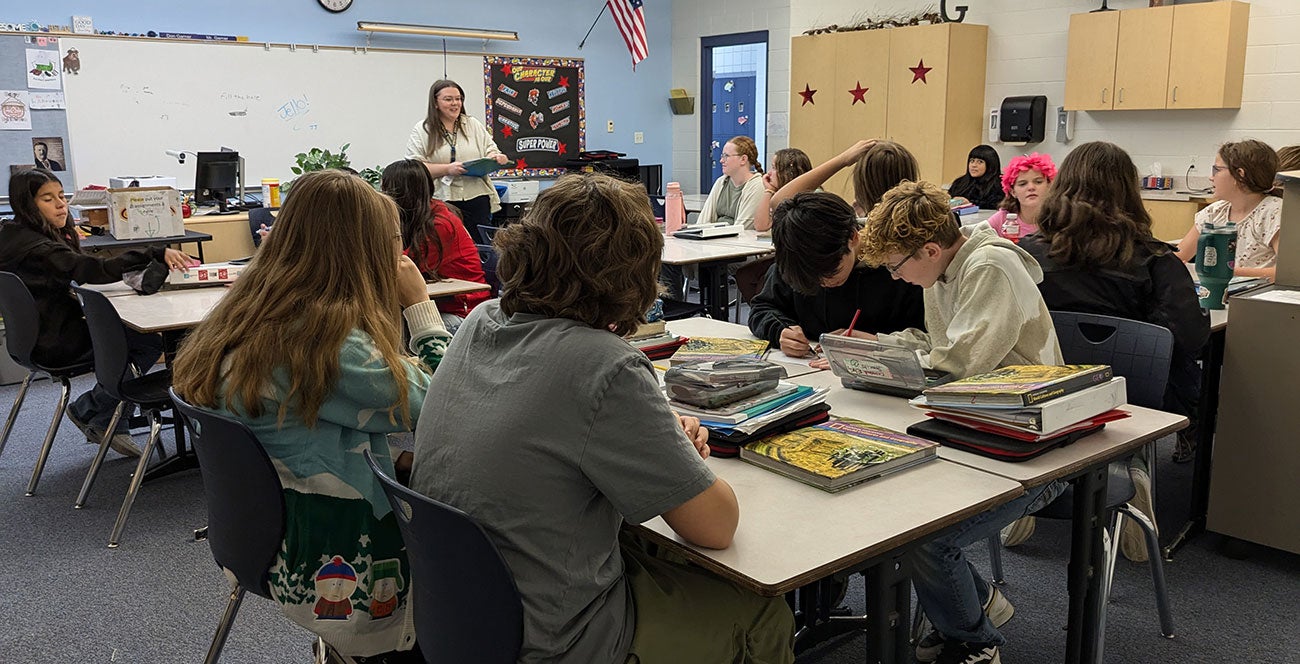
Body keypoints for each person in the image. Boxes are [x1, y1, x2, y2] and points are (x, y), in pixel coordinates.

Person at [409, 172, 795, 664]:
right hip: (555, 638)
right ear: (633, 271)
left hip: (463, 615)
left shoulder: (480, 322)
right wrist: (671, 453)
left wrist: (647, 442)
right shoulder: (602, 363)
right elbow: (716, 526)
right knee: (766, 611)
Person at [172, 170, 452, 663]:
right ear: (358, 252)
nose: (400, 253)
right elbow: (444, 405)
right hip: (343, 562)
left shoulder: (251, 312)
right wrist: (421, 310)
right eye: (392, 241)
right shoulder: (325, 344)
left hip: (268, 536)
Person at [857, 180, 1063, 664]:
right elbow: (943, 349)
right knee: (896, 514)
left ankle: (976, 641)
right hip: (973, 424)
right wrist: (875, 349)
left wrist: (892, 361)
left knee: (930, 536)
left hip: (1035, 443)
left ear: (929, 248)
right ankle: (977, 604)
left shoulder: (990, 266)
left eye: (895, 266)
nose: (894, 277)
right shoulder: (944, 270)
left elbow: (957, 365)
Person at [1021, 141, 1210, 557]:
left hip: (1042, 394)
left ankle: (1034, 476)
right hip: (1133, 401)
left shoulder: (1025, 256)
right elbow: (1190, 338)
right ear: (1128, 192)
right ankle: (1130, 462)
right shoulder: (1158, 261)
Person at [0, 168, 193, 458]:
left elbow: (80, 267)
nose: (61, 205)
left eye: (61, 196)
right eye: (48, 199)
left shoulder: (14, 236)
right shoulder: (40, 249)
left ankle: (100, 411)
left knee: (132, 337)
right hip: (57, 342)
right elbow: (92, 271)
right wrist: (153, 252)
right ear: (28, 205)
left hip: (37, 338)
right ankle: (96, 410)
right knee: (145, 340)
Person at [752, 139, 928, 359]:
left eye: (832, 272)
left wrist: (873, 347)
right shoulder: (800, 255)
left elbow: (928, 338)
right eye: (813, 280)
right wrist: (781, 331)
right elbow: (762, 308)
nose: (824, 283)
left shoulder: (902, 269)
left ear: (853, 238)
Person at [381, 159, 489, 333]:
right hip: (440, 304)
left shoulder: (440, 224)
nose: (382, 195)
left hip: (461, 313)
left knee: (397, 329)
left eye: (385, 189)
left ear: (398, 192)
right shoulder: (418, 216)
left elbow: (399, 267)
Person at [405, 79, 509, 243]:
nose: (455, 103)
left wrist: (495, 157)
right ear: (435, 103)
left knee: (480, 248)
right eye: (448, 99)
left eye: (458, 98)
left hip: (476, 197)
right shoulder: (423, 129)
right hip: (442, 199)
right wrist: (447, 169)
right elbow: (414, 169)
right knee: (447, 246)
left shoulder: (472, 124)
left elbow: (491, 148)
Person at [1174, 140, 1282, 281]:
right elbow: (1177, 259)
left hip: (1256, 299)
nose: (1211, 177)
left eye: (1216, 170)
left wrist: (1224, 271)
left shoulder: (1274, 212)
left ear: (1240, 174)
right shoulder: (1214, 212)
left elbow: (1287, 273)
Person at [697, 135, 766, 229]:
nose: (721, 161)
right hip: (715, 238)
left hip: (737, 241)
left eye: (726, 156)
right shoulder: (721, 182)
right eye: (722, 156)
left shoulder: (757, 186)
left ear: (743, 159)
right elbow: (703, 220)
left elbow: (742, 227)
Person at [986, 152, 1057, 241]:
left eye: (1038, 182)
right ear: (1012, 192)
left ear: (1049, 185)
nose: (1031, 188)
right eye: (1023, 184)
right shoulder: (1002, 219)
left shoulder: (1059, 218)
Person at [754, 147, 812, 232]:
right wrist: (768, 191)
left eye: (774, 168)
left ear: (788, 172)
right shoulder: (779, 194)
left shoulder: (809, 198)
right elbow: (760, 226)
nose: (769, 173)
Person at [947, 145, 1003, 210]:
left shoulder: (1000, 184)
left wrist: (970, 204)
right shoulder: (959, 183)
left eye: (980, 162)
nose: (974, 165)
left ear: (990, 165)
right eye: (972, 161)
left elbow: (997, 205)